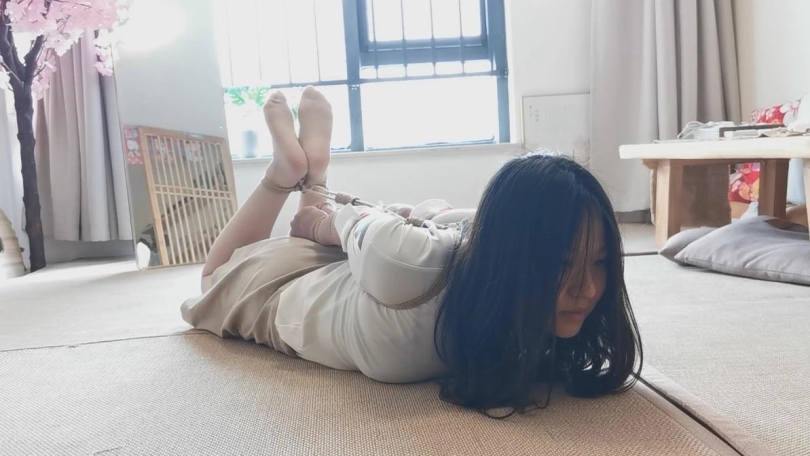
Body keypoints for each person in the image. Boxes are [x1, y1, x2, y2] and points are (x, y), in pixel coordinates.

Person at [181, 87, 643, 416]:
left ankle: (311, 176)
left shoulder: (479, 264)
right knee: (213, 279)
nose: (588, 289)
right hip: (292, 295)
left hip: (359, 286)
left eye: (600, 262)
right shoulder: (409, 263)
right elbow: (368, 231)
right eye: (562, 264)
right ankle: (289, 175)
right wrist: (323, 223)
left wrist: (420, 215)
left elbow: (471, 223)